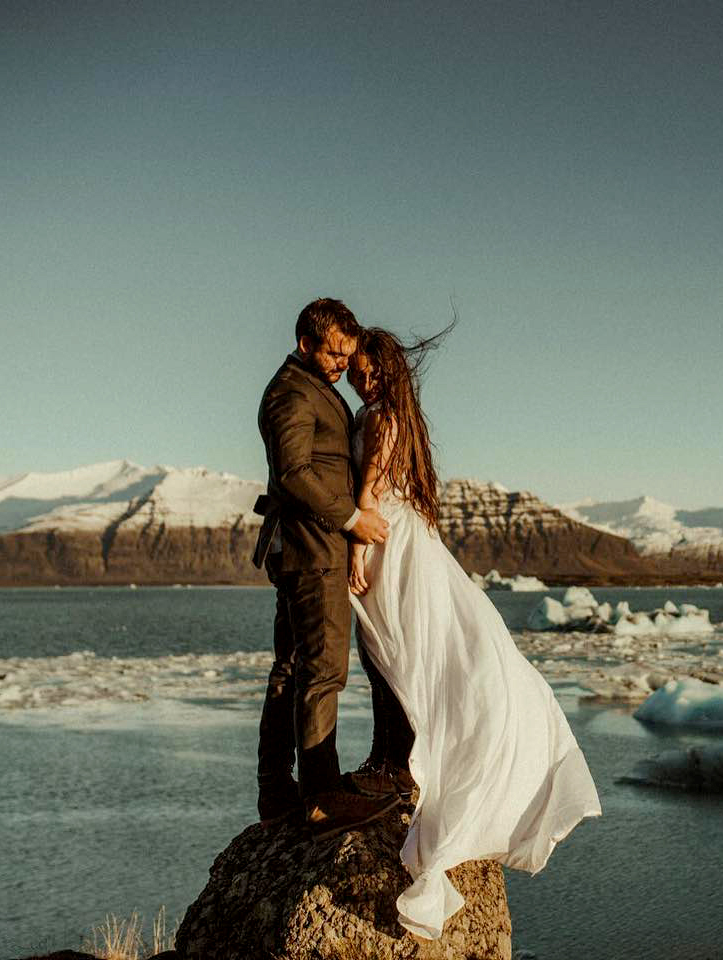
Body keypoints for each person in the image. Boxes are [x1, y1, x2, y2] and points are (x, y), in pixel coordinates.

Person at [344, 325, 602, 940]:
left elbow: (370, 491)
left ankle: (394, 762)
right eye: (355, 367)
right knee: (401, 653)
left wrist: (357, 545)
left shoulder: (380, 420)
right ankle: (394, 758)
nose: (361, 377)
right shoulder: (385, 416)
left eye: (369, 369)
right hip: (403, 541)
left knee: (397, 653)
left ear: (388, 373)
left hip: (389, 541)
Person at [251, 297, 404, 839]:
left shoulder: (314, 388)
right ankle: (319, 799)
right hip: (311, 548)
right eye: (335, 354)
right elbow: (292, 473)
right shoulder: (291, 392)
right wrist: (352, 520)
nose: (343, 364)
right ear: (306, 344)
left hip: (306, 547)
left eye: (346, 355)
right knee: (322, 670)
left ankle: (278, 792)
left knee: (292, 670)